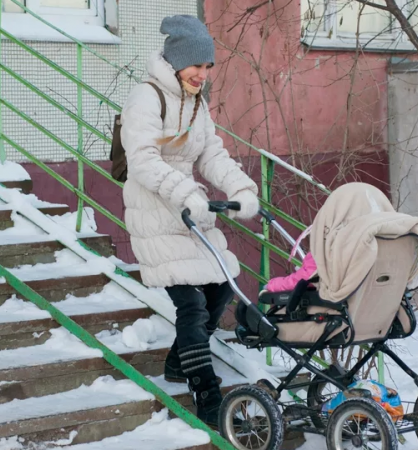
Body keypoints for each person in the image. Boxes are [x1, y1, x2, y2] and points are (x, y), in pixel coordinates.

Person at [120, 15, 260, 426]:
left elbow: (211, 154)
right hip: (155, 210)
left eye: (208, 66)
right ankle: (208, 392)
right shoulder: (146, 98)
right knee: (192, 303)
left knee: (221, 287)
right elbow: (142, 159)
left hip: (190, 210)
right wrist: (185, 191)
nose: (203, 73)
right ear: (177, 61)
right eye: (197, 65)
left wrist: (243, 189)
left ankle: (180, 361)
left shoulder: (196, 102)